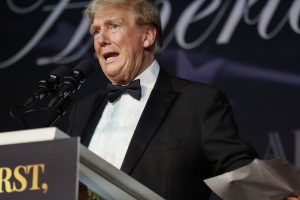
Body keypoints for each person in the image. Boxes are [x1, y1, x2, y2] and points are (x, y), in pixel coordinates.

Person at [64, 0, 300, 199]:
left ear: (147, 36)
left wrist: (280, 194)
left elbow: (237, 166)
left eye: (113, 26)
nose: (100, 39)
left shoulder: (198, 103)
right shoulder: (82, 111)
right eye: (95, 31)